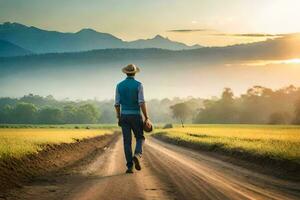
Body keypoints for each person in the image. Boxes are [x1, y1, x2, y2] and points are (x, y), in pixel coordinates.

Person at [114, 64, 151, 173]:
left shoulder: (119, 85)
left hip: (124, 116)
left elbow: (117, 104)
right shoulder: (139, 85)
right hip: (135, 115)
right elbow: (141, 102)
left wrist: (118, 117)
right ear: (135, 73)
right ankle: (137, 155)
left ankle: (129, 167)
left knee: (127, 142)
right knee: (140, 138)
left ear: (126, 73)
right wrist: (146, 117)